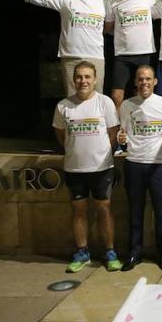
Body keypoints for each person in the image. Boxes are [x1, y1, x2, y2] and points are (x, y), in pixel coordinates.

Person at [0, 0, 110, 96]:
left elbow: (112, 26)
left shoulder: (104, 2)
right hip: (70, 57)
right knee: (73, 103)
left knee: (97, 101)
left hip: (95, 57)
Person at [52, 61, 122, 272]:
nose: (83, 81)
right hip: (74, 169)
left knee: (104, 209)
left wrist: (101, 153)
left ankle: (110, 252)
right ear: (73, 80)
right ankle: (82, 252)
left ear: (95, 79)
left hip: (102, 168)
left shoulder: (105, 102)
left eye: (87, 77)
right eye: (79, 77)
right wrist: (75, 150)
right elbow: (61, 134)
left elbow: (113, 132)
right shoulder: (63, 105)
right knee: (78, 211)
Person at [117, 65, 162, 272]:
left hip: (159, 164)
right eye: (140, 79)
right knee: (135, 211)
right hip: (134, 163)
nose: (144, 83)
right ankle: (134, 253)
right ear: (135, 82)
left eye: (148, 79)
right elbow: (122, 134)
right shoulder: (127, 105)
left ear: (155, 81)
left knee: (161, 211)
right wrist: (121, 139)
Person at [106, 0, 160, 110]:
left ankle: (140, 129)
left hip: (145, 54)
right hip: (122, 56)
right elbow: (107, 28)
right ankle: (118, 131)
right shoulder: (113, 1)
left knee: (142, 95)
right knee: (116, 96)